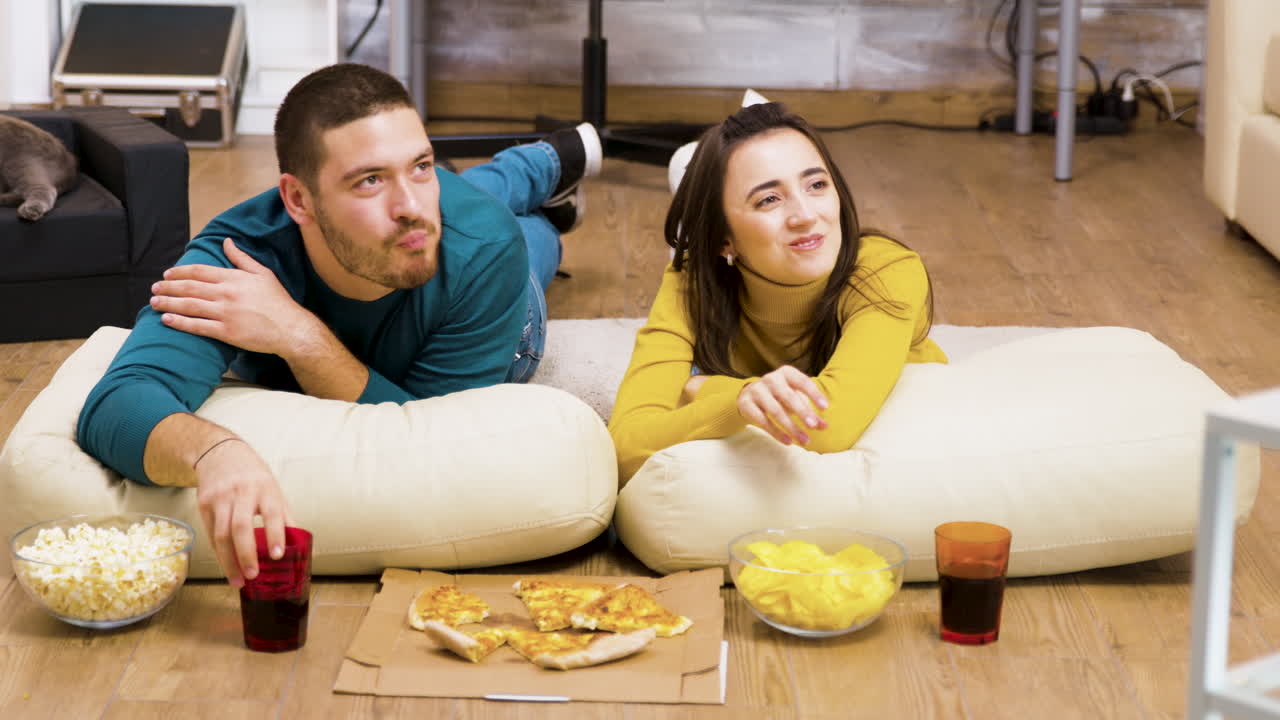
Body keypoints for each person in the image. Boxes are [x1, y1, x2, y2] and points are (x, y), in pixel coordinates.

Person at [75, 63, 602, 588]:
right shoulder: (238, 256)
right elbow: (118, 405)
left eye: (422, 165)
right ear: (298, 199)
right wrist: (213, 452)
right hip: (455, 231)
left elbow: (431, 442)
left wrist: (298, 336)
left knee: (525, 243)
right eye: (369, 180)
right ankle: (544, 200)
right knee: (460, 213)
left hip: (500, 289)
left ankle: (538, 169)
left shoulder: (483, 249)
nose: (412, 205)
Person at [608, 102, 947, 483]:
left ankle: (706, 175)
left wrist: (700, 388)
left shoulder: (887, 270)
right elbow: (624, 448)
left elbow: (826, 426)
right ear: (722, 239)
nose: (804, 216)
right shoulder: (692, 282)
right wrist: (739, 403)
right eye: (769, 199)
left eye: (816, 185)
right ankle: (704, 180)